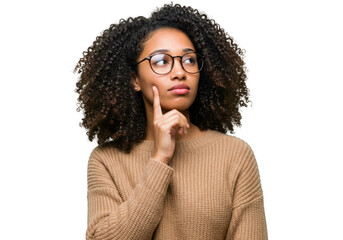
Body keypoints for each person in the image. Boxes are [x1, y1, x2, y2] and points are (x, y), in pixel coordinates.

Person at [74, 3, 267, 240]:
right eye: (162, 61)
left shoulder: (235, 155)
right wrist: (160, 158)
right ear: (134, 79)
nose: (179, 72)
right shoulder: (106, 160)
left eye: (189, 60)